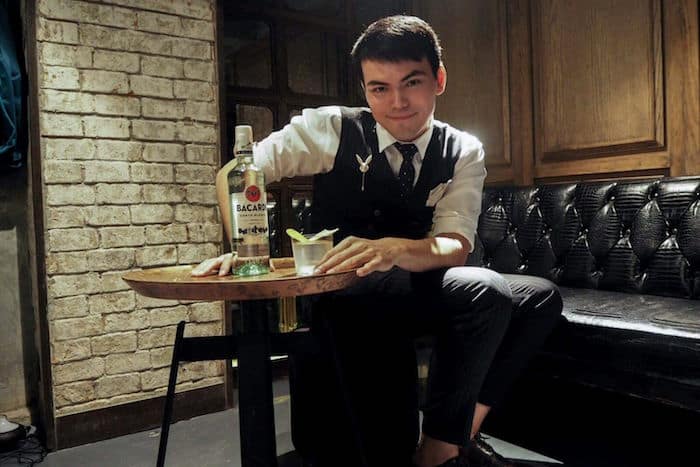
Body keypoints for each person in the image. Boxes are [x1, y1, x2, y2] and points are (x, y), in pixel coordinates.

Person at [193, 15, 563, 467]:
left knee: (538, 297)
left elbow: (455, 243)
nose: (398, 103)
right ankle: (442, 450)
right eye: (379, 88)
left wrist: (393, 249)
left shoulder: (462, 149)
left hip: (409, 278)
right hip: (344, 284)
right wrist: (243, 248)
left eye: (412, 83)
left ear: (439, 79)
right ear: (365, 90)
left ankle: (450, 439)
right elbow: (236, 173)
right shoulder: (333, 128)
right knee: (483, 289)